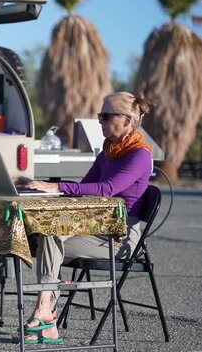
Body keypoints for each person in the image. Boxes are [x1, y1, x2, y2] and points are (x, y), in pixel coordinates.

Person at [15, 92, 152, 344]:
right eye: (100, 115)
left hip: (118, 238)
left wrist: (55, 188)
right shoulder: (109, 152)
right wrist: (37, 187)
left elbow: (107, 189)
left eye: (106, 116)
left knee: (50, 237)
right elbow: (85, 186)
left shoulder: (139, 155)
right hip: (91, 228)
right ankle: (46, 316)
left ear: (128, 120)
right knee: (47, 234)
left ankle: (45, 314)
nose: (100, 120)